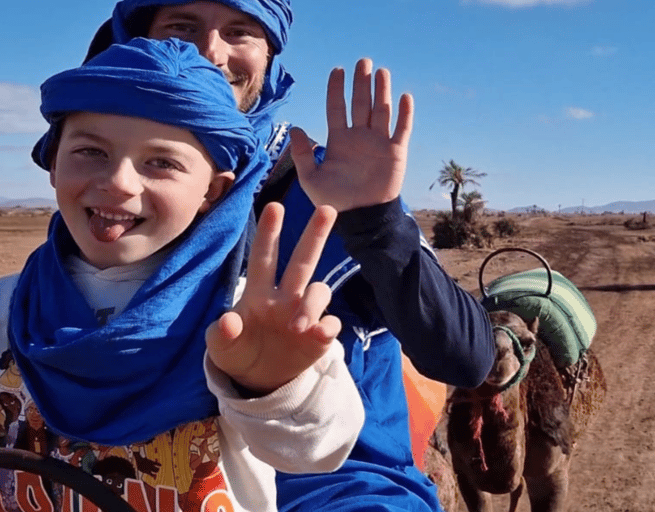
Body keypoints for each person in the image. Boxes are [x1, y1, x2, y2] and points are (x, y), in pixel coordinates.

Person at [68, 1, 498, 510]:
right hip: (148, 476)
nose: (210, 51)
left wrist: (376, 222)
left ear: (269, 56)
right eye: (182, 27)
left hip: (336, 486)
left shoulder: (322, 184)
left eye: (240, 32)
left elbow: (464, 357)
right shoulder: (105, 200)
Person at [1, 37, 364, 512]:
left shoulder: (242, 318)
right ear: (53, 163)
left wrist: (271, 386)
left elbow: (317, 451)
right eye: (91, 151)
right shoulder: (11, 305)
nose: (118, 182)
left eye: (162, 162)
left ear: (212, 191)